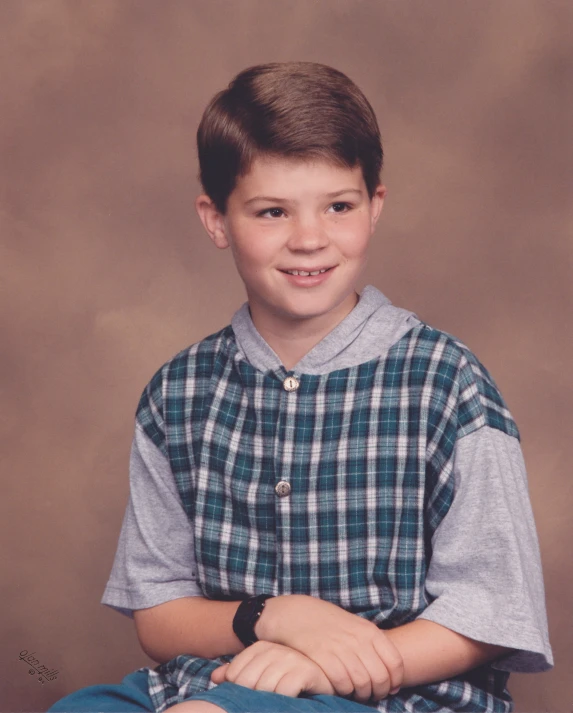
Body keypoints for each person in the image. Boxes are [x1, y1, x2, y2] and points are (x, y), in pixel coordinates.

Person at [47, 61, 553, 713]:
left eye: (337, 206)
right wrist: (272, 616)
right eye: (272, 211)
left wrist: (325, 662)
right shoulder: (175, 395)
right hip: (218, 681)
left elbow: (491, 609)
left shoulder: (446, 382)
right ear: (216, 220)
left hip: (398, 694)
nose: (309, 238)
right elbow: (159, 613)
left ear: (373, 206)